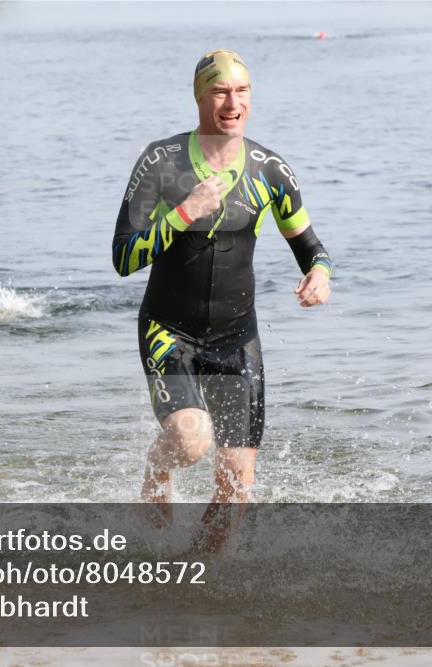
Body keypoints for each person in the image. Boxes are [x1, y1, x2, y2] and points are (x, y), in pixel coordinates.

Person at [112, 50, 333, 509]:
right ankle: (156, 470)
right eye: (220, 91)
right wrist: (185, 212)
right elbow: (123, 257)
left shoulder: (270, 170)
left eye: (242, 91)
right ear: (199, 97)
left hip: (236, 338)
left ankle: (201, 577)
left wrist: (319, 273)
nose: (232, 103)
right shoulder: (162, 162)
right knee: (191, 443)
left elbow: (310, 246)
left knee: (236, 489)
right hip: (168, 331)